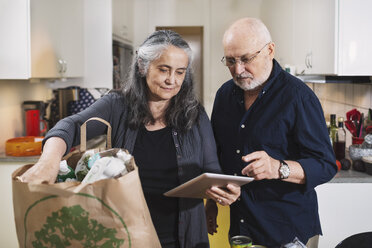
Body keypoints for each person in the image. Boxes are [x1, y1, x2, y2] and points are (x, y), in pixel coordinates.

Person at [19, 30, 240, 248]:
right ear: (143, 66)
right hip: (126, 235)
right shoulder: (116, 106)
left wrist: (219, 194)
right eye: (164, 69)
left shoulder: (196, 113)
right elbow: (71, 125)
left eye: (180, 72)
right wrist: (48, 162)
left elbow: (212, 169)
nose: (172, 80)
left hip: (186, 236)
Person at [207, 17, 337, 247]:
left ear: (270, 50)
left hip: (286, 231)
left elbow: (325, 164)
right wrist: (212, 200)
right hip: (240, 226)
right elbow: (218, 154)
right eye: (230, 61)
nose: (238, 70)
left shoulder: (299, 97)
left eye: (246, 59)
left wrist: (279, 168)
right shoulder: (224, 96)